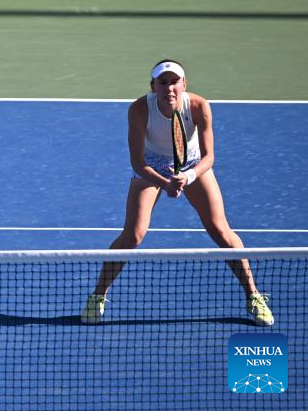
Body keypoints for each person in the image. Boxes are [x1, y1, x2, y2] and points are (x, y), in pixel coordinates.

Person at [79, 59, 273, 326]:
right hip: (152, 165)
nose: (169, 88)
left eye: (174, 82)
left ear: (184, 84)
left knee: (220, 230)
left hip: (192, 164)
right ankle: (98, 296)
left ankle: (253, 295)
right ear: (153, 86)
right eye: (163, 82)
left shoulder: (198, 106)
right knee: (133, 235)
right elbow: (138, 163)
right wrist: (166, 182)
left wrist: (188, 176)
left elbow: (209, 157)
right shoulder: (139, 109)